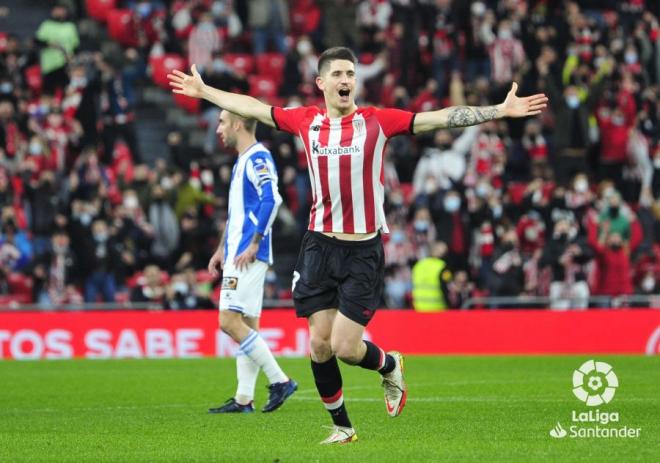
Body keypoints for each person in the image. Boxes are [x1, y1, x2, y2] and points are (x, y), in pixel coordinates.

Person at [168, 46, 547, 444]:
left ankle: (389, 366)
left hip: (362, 250)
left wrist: (496, 111)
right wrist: (205, 90)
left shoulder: (376, 122)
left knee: (346, 348)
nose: (346, 80)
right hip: (318, 247)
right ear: (322, 83)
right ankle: (343, 427)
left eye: (351, 73)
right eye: (338, 74)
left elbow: (436, 120)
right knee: (318, 344)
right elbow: (254, 106)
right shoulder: (306, 121)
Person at [206, 109, 297, 414]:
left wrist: (255, 242)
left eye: (222, 122)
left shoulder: (258, 157)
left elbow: (272, 198)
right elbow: (237, 214)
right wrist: (221, 248)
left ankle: (280, 381)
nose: (218, 129)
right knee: (247, 324)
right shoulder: (243, 159)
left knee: (228, 322)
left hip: (247, 254)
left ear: (238, 123)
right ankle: (244, 399)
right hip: (236, 250)